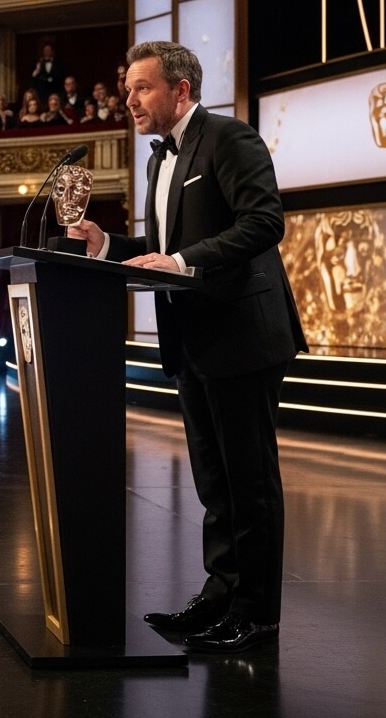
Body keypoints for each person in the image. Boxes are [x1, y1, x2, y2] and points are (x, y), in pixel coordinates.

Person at [68, 41, 307, 654]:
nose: (129, 99)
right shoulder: (158, 161)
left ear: (180, 89)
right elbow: (166, 242)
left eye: (141, 88)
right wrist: (107, 244)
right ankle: (220, 596)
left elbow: (263, 222)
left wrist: (179, 261)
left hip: (243, 335)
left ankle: (256, 615)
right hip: (193, 339)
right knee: (214, 484)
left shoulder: (230, 138)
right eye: (127, 88)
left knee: (249, 484)